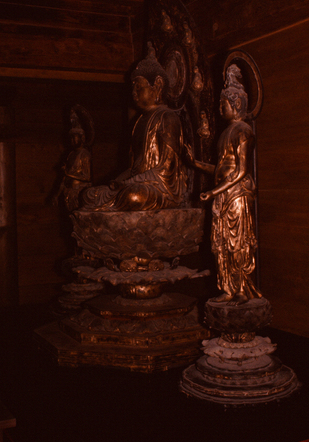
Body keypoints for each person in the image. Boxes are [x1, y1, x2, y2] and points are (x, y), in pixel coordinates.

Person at [187, 65, 262, 303]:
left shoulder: (244, 131)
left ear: (237, 104)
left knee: (237, 242)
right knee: (221, 244)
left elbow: (241, 171)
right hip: (222, 194)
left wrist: (213, 191)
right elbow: (220, 169)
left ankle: (242, 289)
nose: (220, 109)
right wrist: (194, 163)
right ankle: (228, 288)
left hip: (237, 194)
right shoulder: (225, 134)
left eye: (224, 104)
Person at [81, 44, 187, 211]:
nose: (133, 93)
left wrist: (129, 183)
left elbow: (167, 169)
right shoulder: (138, 122)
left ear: (158, 85)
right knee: (89, 195)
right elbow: (133, 168)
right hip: (135, 184)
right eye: (132, 88)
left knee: (134, 196)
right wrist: (117, 182)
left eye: (138, 87)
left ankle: (117, 202)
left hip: (160, 189)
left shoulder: (167, 118)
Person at [56, 115, 92, 212]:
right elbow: (64, 178)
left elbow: (87, 177)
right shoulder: (71, 154)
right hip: (68, 191)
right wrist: (57, 194)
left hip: (79, 191)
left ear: (82, 138)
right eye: (71, 138)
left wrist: (68, 173)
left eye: (74, 138)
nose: (72, 140)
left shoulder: (84, 154)